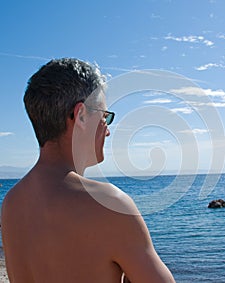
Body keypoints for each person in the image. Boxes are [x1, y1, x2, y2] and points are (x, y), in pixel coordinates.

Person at [1, 58, 175, 283]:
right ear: (81, 115)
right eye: (104, 117)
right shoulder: (108, 203)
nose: (108, 130)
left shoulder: (11, 203)